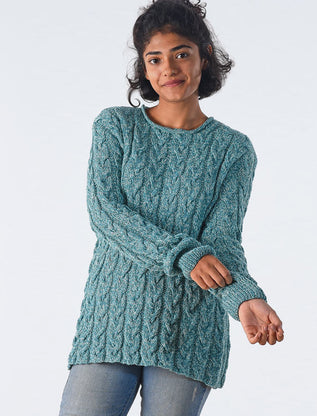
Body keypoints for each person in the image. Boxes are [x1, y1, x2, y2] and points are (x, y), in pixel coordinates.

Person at [58, 0, 284, 415]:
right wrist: (183, 255)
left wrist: (244, 297)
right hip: (112, 317)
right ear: (144, 69)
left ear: (204, 56)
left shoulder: (232, 150)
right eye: (155, 59)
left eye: (181, 53)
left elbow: (221, 242)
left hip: (190, 328)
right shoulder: (116, 127)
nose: (169, 68)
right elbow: (105, 213)